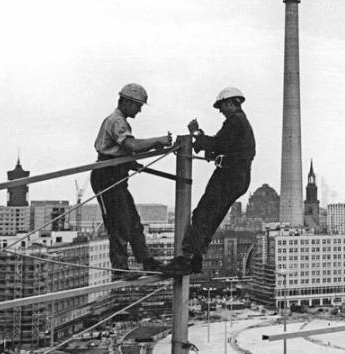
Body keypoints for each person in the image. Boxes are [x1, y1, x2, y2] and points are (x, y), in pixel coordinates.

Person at [162, 87, 254, 275]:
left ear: (230, 103)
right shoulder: (240, 123)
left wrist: (196, 134)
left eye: (221, 106)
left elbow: (217, 144)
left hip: (229, 174)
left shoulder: (235, 121)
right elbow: (220, 144)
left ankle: (186, 258)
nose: (220, 111)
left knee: (203, 214)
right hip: (238, 176)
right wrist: (203, 140)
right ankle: (196, 258)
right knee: (213, 217)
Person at [93, 83, 172, 280]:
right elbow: (132, 145)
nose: (139, 110)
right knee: (118, 222)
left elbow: (124, 151)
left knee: (133, 222)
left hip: (116, 175)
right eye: (138, 105)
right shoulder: (117, 122)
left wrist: (133, 162)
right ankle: (120, 269)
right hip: (107, 176)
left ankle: (147, 261)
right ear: (127, 102)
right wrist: (157, 141)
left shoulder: (118, 121)